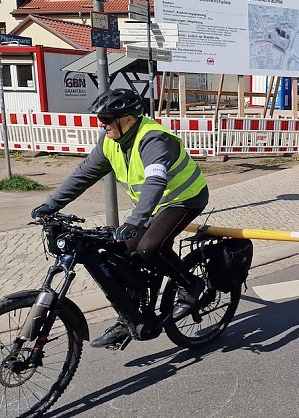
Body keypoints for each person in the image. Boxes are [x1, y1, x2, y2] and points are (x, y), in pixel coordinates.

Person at [31, 88, 209, 348]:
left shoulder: (155, 139)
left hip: (184, 199)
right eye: (99, 119)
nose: (101, 125)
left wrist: (134, 223)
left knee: (149, 248)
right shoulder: (110, 142)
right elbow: (84, 174)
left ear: (127, 118)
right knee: (117, 254)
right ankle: (130, 316)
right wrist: (50, 205)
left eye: (105, 119)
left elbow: (155, 181)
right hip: (153, 206)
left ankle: (190, 284)